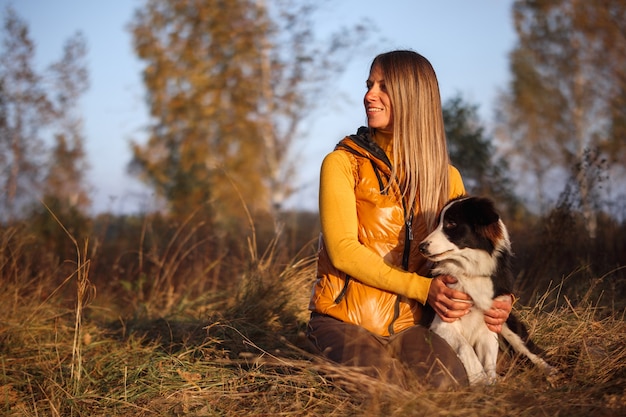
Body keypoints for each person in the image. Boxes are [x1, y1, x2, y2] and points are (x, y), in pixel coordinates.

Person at [306, 50, 513, 390]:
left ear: (413, 98)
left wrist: (501, 298)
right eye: (370, 84)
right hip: (343, 321)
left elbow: (478, 249)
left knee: (447, 389)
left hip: (416, 327)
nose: (370, 95)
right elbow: (342, 250)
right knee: (381, 390)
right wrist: (421, 288)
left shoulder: (448, 178)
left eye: (384, 87)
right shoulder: (342, 163)